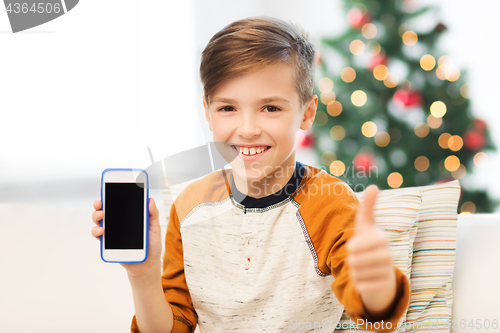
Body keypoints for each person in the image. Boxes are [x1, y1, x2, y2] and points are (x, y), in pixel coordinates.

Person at [91, 16, 410, 333]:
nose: (247, 130)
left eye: (270, 108)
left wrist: (377, 284)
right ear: (207, 112)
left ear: (307, 112)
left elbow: (376, 318)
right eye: (227, 108)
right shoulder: (189, 207)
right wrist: (143, 277)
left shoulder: (330, 205)